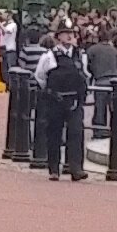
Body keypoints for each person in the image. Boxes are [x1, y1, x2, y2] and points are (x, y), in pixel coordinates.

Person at [34, 21, 90, 182]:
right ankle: (54, 169)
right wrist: (51, 92)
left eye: (71, 33)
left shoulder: (80, 55)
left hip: (74, 100)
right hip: (56, 100)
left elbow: (85, 74)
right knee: (54, 134)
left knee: (76, 133)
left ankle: (76, 168)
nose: (70, 35)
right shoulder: (49, 55)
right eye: (66, 33)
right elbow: (40, 76)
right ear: (58, 37)